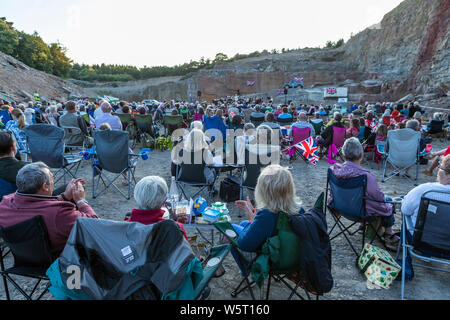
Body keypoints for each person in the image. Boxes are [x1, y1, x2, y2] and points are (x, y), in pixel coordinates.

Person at [0, 162, 98, 254]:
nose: (53, 181)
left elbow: (38, 205)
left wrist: (63, 197)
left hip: (22, 258)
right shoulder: (59, 213)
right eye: (52, 178)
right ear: (45, 186)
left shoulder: (5, 203)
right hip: (56, 262)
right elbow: (93, 226)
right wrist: (81, 201)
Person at [329, 138, 399, 248]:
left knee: (362, 198)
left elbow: (332, 193)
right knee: (387, 200)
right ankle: (388, 233)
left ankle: (363, 227)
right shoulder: (366, 176)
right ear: (361, 156)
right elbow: (379, 199)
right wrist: (389, 206)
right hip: (361, 214)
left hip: (340, 208)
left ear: (343, 155)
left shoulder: (334, 170)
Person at [232, 165, 302, 274]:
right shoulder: (299, 210)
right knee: (243, 223)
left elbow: (243, 244)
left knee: (230, 229)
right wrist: (254, 219)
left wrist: (252, 219)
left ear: (265, 191)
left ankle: (248, 273)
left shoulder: (267, 214)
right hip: (294, 258)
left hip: (275, 260)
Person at [124, 176, 188, 240]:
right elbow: (185, 249)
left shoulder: (123, 228)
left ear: (136, 197)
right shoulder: (176, 229)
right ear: (164, 201)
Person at [402, 154, 450, 236]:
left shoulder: (425, 191)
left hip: (421, 242)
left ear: (446, 174)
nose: (438, 168)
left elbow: (405, 210)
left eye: (440, 166)